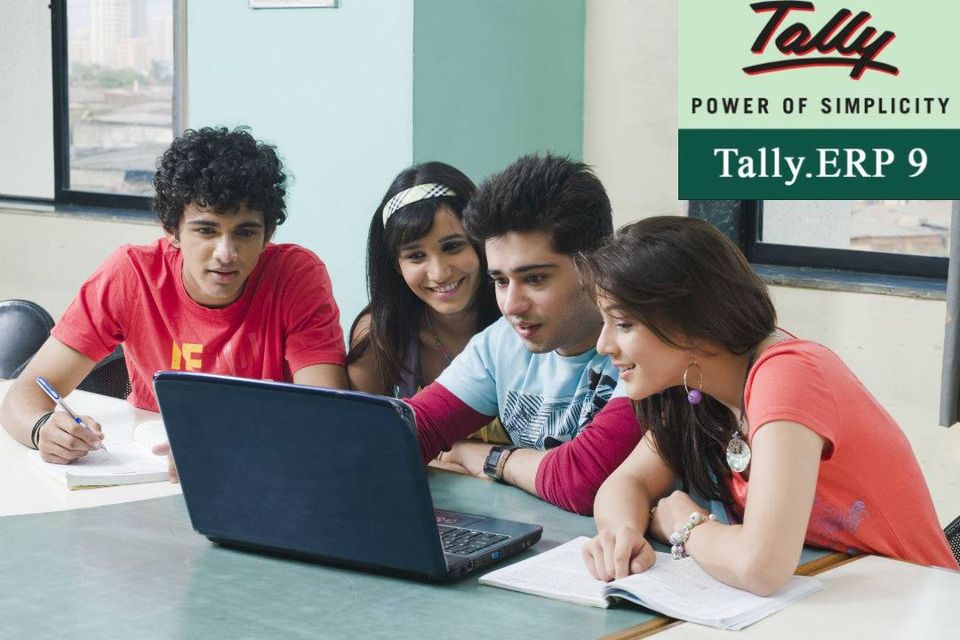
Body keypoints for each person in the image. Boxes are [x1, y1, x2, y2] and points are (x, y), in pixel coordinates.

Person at [578, 216, 958, 595]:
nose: (603, 345)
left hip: (917, 605)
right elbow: (625, 483)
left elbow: (760, 567)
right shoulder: (695, 391)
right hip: (834, 600)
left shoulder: (788, 375)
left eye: (623, 325)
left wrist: (684, 522)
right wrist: (623, 534)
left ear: (692, 322)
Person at [0, 126, 349, 469]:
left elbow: (327, 414)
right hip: (148, 471)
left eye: (245, 232)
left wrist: (222, 445)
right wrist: (42, 429)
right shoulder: (132, 275)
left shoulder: (295, 276)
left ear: (267, 233)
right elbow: (22, 395)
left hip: (263, 465)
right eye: (206, 230)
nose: (226, 253)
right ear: (172, 230)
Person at [406, 154, 645, 515]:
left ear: (595, 264)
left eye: (534, 278)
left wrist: (488, 457)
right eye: (501, 281)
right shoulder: (499, 342)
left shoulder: (646, 343)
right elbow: (405, 434)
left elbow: (586, 481)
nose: (511, 305)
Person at [347, 161, 508, 447]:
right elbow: (365, 445)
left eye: (452, 246)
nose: (439, 273)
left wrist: (458, 455)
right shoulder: (378, 336)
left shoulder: (524, 321)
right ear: (396, 265)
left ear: (481, 242)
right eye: (416, 256)